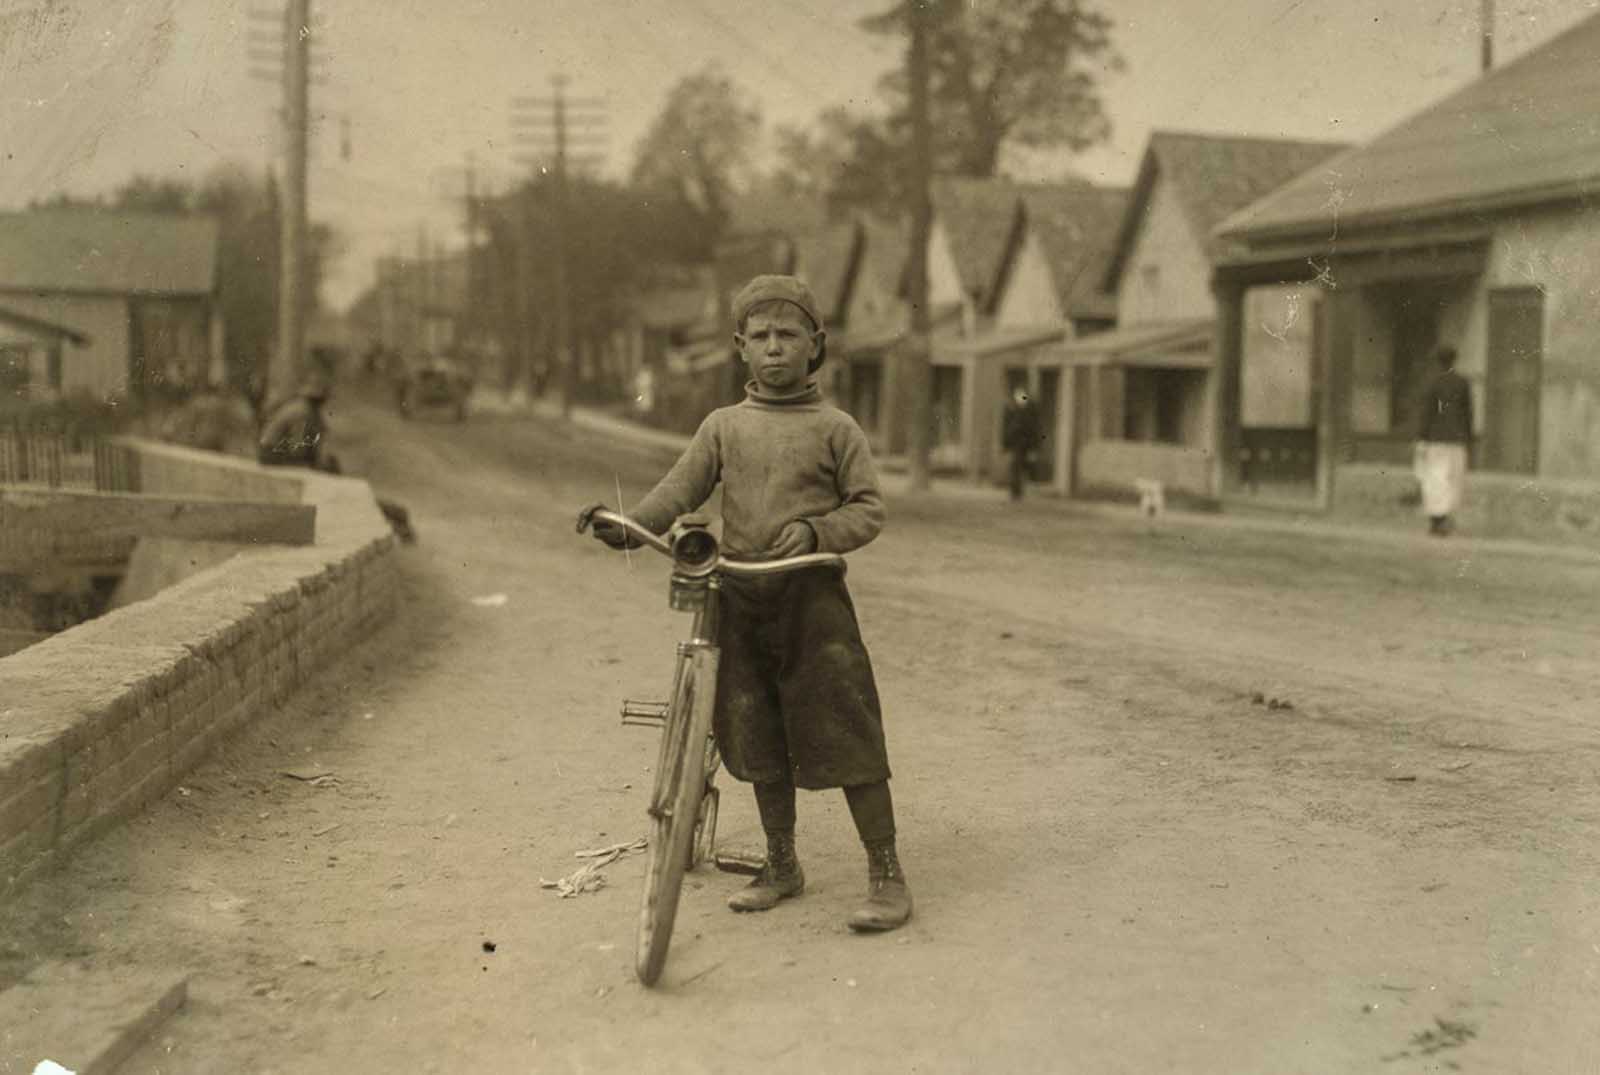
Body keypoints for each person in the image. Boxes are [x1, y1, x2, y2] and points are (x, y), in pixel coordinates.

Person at [580, 274, 911, 933]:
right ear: (739, 347)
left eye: (789, 335)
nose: (774, 348)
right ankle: (780, 861)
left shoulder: (836, 427)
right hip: (737, 588)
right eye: (760, 336)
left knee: (844, 716)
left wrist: (819, 529)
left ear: (815, 345)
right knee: (751, 721)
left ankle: (886, 871)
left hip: (810, 592)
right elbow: (679, 490)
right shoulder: (723, 426)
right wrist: (629, 523)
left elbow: (868, 509)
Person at [1413, 346, 1473, 536]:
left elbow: (1427, 412)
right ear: (1454, 360)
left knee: (1435, 479)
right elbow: (1468, 414)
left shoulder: (1432, 383)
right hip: (1457, 439)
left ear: (1438, 361)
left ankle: (1436, 521)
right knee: (1453, 479)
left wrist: (1422, 437)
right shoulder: (1463, 383)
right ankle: (1445, 519)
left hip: (1435, 439)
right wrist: (1468, 437)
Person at [258, 370, 337, 472]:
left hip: (274, 451)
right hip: (271, 454)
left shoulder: (307, 410)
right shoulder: (303, 412)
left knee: (328, 464)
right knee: (323, 467)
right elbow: (296, 445)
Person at [1001, 385, 1042, 501]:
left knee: (1027, 467)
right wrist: (1005, 444)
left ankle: (1025, 489)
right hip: (1016, 443)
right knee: (1015, 466)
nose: (1020, 398)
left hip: (1027, 443)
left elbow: (1035, 428)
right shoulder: (1011, 409)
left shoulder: (1030, 411)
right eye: (1018, 395)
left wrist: (1035, 447)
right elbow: (1006, 427)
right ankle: (1015, 492)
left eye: (1022, 395)